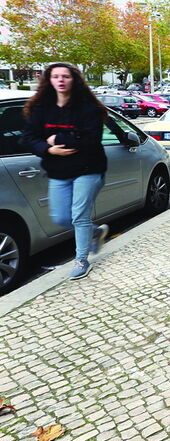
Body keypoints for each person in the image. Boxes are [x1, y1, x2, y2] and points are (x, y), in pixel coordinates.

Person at [23, 62, 110, 280]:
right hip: (58, 170)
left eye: (66, 76)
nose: (61, 80)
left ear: (74, 80)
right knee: (62, 217)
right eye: (56, 76)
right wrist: (48, 148)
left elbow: (91, 141)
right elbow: (29, 138)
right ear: (49, 80)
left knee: (79, 215)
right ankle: (95, 231)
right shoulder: (41, 108)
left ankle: (81, 259)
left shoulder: (89, 108)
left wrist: (58, 138)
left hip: (88, 169)